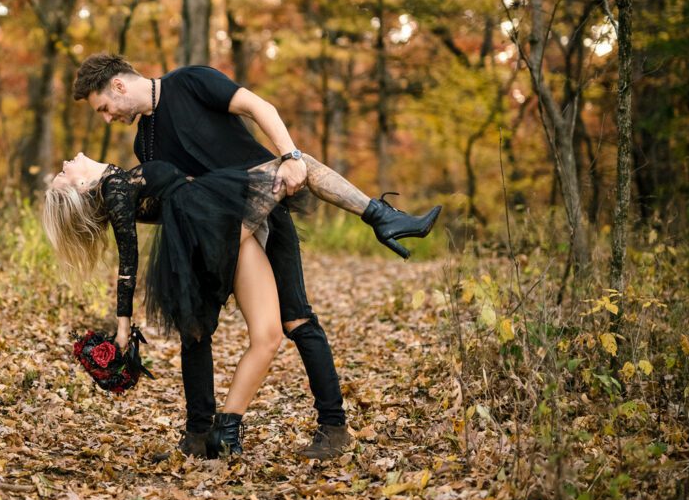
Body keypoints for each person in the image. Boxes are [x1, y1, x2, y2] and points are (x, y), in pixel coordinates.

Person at [68, 54, 440, 459]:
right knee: (195, 330)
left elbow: (260, 107)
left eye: (104, 108)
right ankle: (199, 436)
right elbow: (181, 197)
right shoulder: (146, 142)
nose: (107, 119)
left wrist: (291, 157)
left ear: (119, 86)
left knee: (296, 319)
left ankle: (333, 427)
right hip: (217, 234)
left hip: (267, 206)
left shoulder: (191, 82)